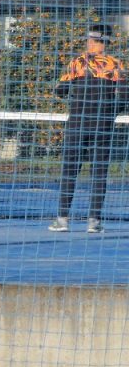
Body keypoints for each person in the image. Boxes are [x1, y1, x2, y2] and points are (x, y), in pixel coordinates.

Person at [49, 24, 125, 233]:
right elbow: (124, 96)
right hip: (102, 126)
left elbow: (60, 90)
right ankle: (94, 222)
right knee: (99, 173)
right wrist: (109, 113)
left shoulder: (78, 63)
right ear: (107, 42)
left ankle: (62, 220)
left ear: (91, 40)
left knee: (69, 171)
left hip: (77, 124)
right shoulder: (115, 65)